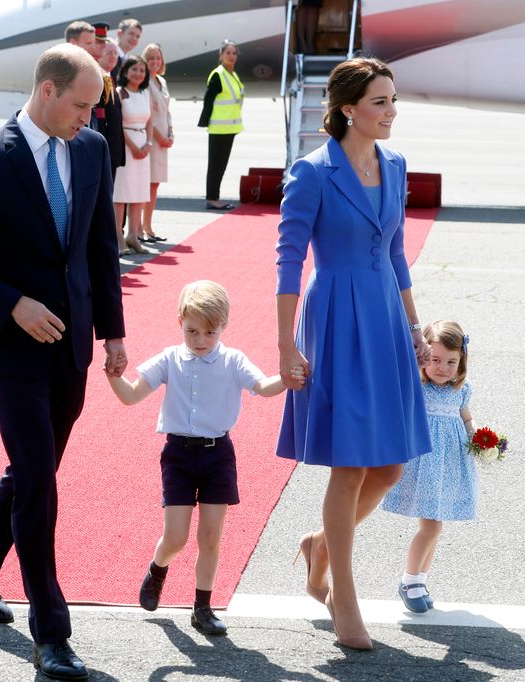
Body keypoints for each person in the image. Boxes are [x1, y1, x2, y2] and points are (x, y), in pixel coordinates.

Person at [0, 43, 127, 682]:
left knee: (30, 469)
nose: (88, 117)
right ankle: (53, 634)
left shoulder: (92, 149)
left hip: (70, 345)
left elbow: (100, 249)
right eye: (79, 104)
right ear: (46, 91)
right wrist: (10, 304)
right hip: (12, 346)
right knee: (40, 478)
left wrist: (113, 333)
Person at [275, 57, 432, 651]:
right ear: (348, 109)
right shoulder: (311, 172)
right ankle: (344, 595)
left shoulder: (395, 164)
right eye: (380, 103)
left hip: (386, 318)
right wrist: (286, 342)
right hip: (335, 317)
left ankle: (319, 543)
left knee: (389, 466)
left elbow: (394, 251)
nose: (391, 113)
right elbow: (289, 259)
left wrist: (415, 325)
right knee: (350, 464)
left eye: (393, 101)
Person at [105, 280, 299, 636]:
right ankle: (158, 569)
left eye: (210, 332)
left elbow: (263, 387)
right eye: (192, 331)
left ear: (224, 326)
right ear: (179, 322)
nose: (200, 340)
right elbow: (132, 396)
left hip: (218, 455)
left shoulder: (232, 360)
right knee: (176, 537)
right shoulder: (169, 359)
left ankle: (202, 607)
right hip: (178, 454)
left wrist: (288, 378)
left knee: (210, 538)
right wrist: (113, 376)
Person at [380, 320, 477, 614]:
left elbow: (466, 418)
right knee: (431, 525)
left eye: (451, 362)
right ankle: (409, 580)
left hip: (449, 464)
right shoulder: (417, 387)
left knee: (436, 526)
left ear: (461, 363)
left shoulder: (461, 390)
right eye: (435, 360)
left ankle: (420, 580)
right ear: (423, 358)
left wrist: (479, 440)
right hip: (423, 463)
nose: (443, 368)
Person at [112, 53, 154, 256]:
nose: (138, 73)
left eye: (142, 70)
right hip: (126, 145)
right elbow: (118, 124)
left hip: (143, 143)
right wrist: (133, 147)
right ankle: (118, 238)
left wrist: (148, 144)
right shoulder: (120, 92)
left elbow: (150, 121)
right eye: (134, 69)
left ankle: (133, 236)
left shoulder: (146, 93)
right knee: (121, 195)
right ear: (126, 72)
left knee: (138, 194)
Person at [197, 40, 243, 211]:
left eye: (234, 53)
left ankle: (215, 196)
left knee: (221, 164)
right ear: (221, 56)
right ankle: (212, 198)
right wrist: (204, 122)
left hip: (229, 128)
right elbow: (208, 101)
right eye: (228, 53)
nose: (231, 56)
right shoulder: (218, 74)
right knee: (215, 164)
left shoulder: (233, 75)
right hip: (218, 128)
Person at [141, 43, 172, 243]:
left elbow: (167, 111)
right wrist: (160, 136)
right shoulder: (145, 82)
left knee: (155, 184)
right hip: (151, 137)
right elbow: (148, 113)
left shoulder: (161, 81)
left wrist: (171, 133)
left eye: (157, 58)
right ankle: (143, 228)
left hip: (163, 139)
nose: (155, 61)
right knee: (146, 184)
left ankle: (148, 226)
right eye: (151, 57)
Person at [92, 37, 126, 186]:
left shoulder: (112, 78)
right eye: (109, 52)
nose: (113, 56)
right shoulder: (98, 77)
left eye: (115, 53)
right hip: (104, 143)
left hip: (113, 147)